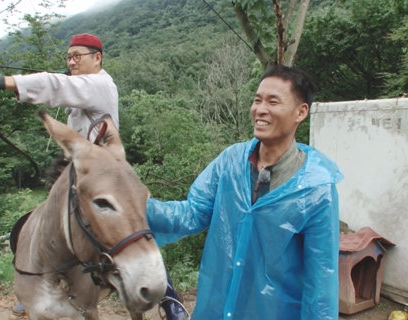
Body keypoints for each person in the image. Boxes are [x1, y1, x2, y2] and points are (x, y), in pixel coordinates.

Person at [0, 33, 187, 320]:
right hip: (80, 173)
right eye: (68, 57)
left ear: (97, 58)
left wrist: (6, 82)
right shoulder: (80, 94)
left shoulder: (100, 84)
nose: (71, 61)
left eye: (78, 55)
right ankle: (33, 284)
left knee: (135, 226)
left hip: (108, 172)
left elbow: (57, 85)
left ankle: (167, 296)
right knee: (43, 219)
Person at [146, 65, 343, 320]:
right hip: (214, 311)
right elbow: (192, 213)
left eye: (273, 102)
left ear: (300, 112)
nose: (260, 109)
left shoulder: (317, 191)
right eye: (257, 100)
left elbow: (321, 284)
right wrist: (136, 206)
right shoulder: (230, 161)